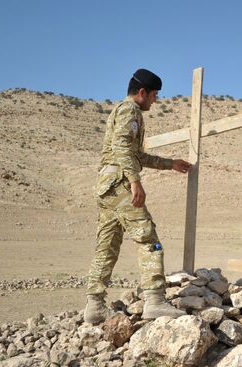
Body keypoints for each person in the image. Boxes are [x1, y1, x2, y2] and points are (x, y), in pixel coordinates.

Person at [84, 68, 191, 324]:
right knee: (148, 238)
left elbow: (137, 156)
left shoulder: (124, 112)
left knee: (106, 246)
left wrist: (169, 163)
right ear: (142, 92)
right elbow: (122, 148)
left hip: (107, 187)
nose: (155, 100)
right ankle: (155, 300)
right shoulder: (129, 111)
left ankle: (94, 306)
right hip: (120, 184)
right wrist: (134, 182)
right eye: (154, 95)